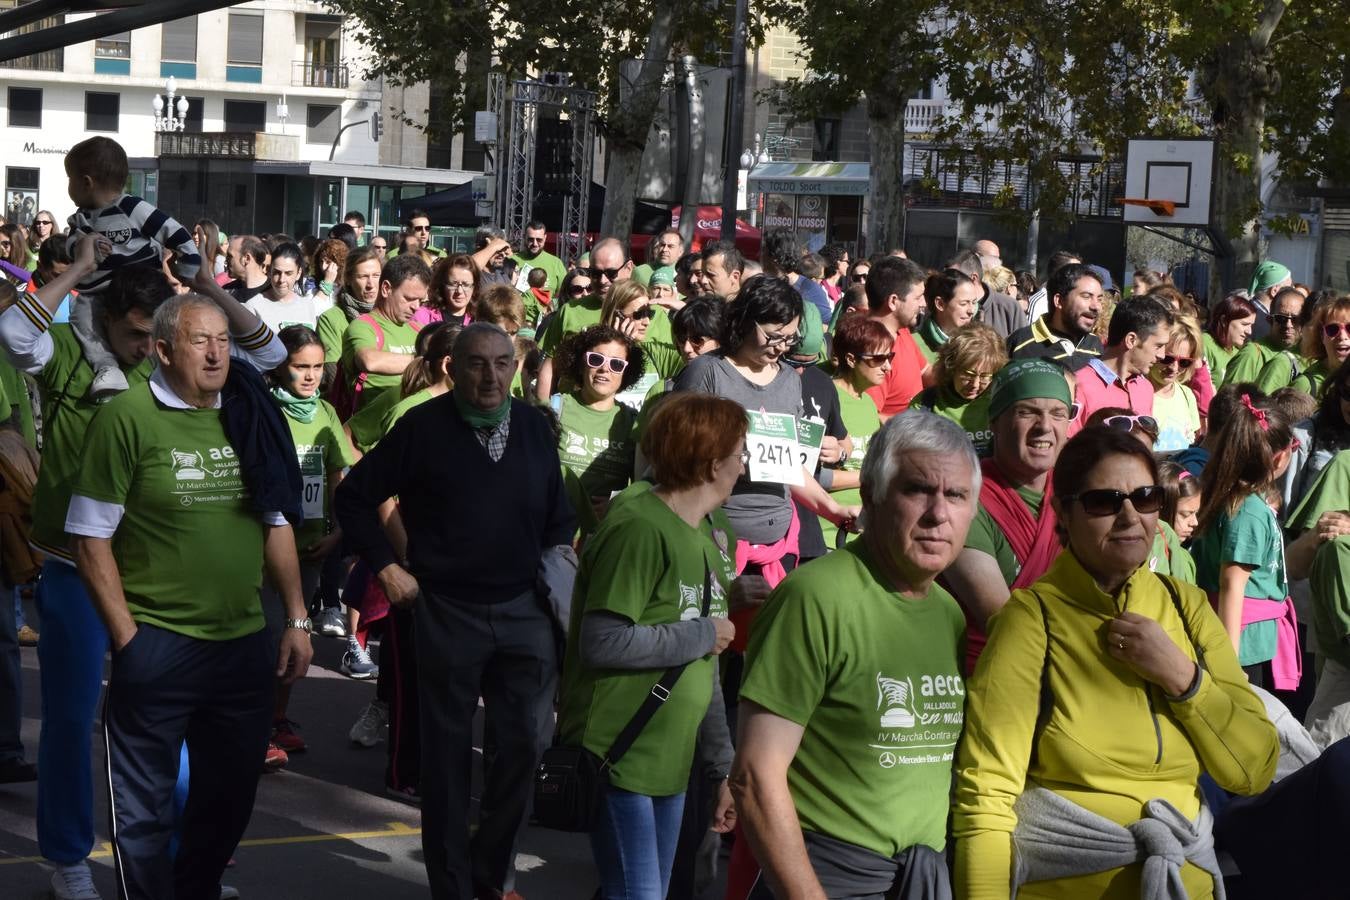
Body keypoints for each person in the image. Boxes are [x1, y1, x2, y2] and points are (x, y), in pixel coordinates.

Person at [1, 244, 284, 899]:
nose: (142, 348)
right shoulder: (67, 353)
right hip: (77, 565)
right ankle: (68, 857)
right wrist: (74, 271)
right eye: (134, 334)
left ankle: (185, 866)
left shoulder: (185, 362)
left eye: (154, 335)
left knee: (180, 730)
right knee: (71, 721)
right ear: (107, 320)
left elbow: (267, 356)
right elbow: (13, 330)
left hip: (158, 580)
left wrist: (210, 289)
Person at [952, 426, 1279, 900]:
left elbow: (1252, 770)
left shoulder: (1186, 607)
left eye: (1144, 497)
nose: (1129, 516)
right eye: (1104, 502)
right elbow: (986, 794)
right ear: (1063, 512)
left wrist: (1182, 678)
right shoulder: (1031, 620)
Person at [66, 293, 312, 900]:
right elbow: (90, 540)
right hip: (159, 643)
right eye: (200, 341)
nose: (215, 353)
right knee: (143, 815)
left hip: (240, 644)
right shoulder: (126, 416)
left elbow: (275, 520)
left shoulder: (250, 411)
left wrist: (298, 618)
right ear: (164, 349)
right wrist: (129, 638)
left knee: (228, 800)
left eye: (224, 342)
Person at [335, 323, 575, 900]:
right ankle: (454, 887)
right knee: (444, 765)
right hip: (447, 612)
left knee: (522, 750)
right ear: (452, 368)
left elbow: (558, 517)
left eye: (501, 363)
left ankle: (493, 878)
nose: (491, 376)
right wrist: (387, 568)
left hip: (524, 613)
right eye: (476, 363)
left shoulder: (536, 431)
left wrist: (560, 566)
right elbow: (354, 498)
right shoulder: (421, 428)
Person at [729, 411, 980, 900]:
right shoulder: (815, 597)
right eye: (917, 490)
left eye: (956, 495)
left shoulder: (948, 611)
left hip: (919, 876)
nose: (938, 514)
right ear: (872, 497)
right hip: (826, 876)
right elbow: (755, 776)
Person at [557, 393, 742, 899]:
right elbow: (602, 641)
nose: (743, 465)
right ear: (711, 463)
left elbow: (703, 671)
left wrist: (721, 768)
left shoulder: (703, 536)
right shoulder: (638, 526)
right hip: (616, 755)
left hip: (669, 762)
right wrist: (703, 632)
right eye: (738, 453)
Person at [941, 359, 1074, 671]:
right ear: (994, 421)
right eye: (1027, 412)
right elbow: (1003, 618)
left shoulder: (1077, 493)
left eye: (1058, 413)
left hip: (1071, 672)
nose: (1045, 426)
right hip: (988, 675)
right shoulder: (965, 497)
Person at [264, 325, 356, 760]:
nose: (311, 376)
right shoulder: (267, 411)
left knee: (293, 637)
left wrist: (337, 533)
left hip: (311, 548)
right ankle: (254, 723)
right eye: (302, 366)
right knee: (266, 639)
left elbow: (339, 478)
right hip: (265, 548)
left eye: (318, 367)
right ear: (281, 365)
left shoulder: (325, 413)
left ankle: (277, 720)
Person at [64, 136, 201, 398]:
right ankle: (107, 367)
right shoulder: (81, 218)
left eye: (69, 179)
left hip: (144, 291)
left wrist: (189, 266)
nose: (68, 187)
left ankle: (166, 372)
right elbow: (72, 246)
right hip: (99, 291)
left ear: (86, 182)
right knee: (81, 315)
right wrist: (85, 246)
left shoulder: (134, 207)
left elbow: (173, 232)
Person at [1191, 392, 1300, 690]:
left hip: (1249, 638)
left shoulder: (1242, 500)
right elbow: (1232, 585)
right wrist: (1227, 665)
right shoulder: (1248, 511)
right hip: (1241, 645)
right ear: (1280, 456)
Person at [549, 324, 645, 531]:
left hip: (603, 538)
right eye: (596, 359)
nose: (604, 369)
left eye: (617, 364)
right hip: (551, 533)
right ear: (582, 363)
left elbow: (643, 488)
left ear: (626, 372)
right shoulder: (555, 408)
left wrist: (619, 502)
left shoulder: (632, 422)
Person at [821, 314, 890, 550]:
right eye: (879, 359)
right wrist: (870, 476)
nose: (887, 367)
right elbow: (813, 475)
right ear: (851, 359)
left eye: (889, 357)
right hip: (829, 534)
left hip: (864, 534)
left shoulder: (868, 403)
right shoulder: (826, 395)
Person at [335, 253, 429, 414]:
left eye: (420, 301)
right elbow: (369, 361)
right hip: (372, 435)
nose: (416, 307)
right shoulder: (363, 326)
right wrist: (425, 363)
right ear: (386, 289)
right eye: (409, 298)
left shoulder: (419, 330)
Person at [1071, 295, 1172, 433]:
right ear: (1131, 340)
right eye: (1158, 346)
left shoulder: (1145, 388)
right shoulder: (1079, 385)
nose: (1162, 355)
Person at [911, 323, 1007, 457]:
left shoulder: (1002, 403)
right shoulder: (925, 404)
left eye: (985, 376)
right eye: (968, 374)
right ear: (951, 367)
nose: (975, 384)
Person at [861, 255, 928, 419]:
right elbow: (867, 416)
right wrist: (914, 427)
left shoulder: (902, 330)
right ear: (893, 301)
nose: (924, 303)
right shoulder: (872, 350)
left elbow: (926, 372)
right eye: (918, 297)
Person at [1007, 262, 1103, 372]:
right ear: (1059, 301)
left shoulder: (1096, 346)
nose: (1096, 306)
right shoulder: (1019, 344)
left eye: (1099, 299)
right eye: (1086, 297)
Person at [1224, 286, 1307, 387]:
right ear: (1270, 320)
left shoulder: (1307, 355)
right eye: (1281, 318)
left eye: (1295, 319)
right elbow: (1230, 399)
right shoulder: (1252, 354)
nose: (1288, 325)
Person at [317, 245, 381, 368]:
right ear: (348, 279)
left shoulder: (390, 315)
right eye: (363, 277)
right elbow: (332, 374)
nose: (371, 284)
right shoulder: (331, 319)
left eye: (376, 275)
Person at [1149, 314, 1204, 452]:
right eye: (1167, 359)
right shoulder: (1136, 392)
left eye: (1184, 362)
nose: (1174, 368)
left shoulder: (1187, 395)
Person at [1282, 293, 1350, 399]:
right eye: (1332, 329)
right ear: (1322, 336)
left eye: (1349, 328)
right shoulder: (1305, 386)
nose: (1342, 336)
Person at [244, 242, 322, 333]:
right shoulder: (253, 306)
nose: (282, 279)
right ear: (269, 271)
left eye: (288, 273)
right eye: (277, 272)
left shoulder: (308, 306)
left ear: (299, 273)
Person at [761, 228, 830, 323]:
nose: (759, 255)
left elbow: (826, 326)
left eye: (763, 251)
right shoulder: (759, 285)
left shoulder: (810, 289)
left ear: (775, 257)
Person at [915, 267, 980, 365]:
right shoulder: (917, 344)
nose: (971, 311)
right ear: (940, 304)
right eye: (963, 304)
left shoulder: (979, 343)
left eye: (974, 302)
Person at [1157, 460, 1201, 582]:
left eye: (1196, 513)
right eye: (1185, 514)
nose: (1194, 522)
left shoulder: (1186, 558)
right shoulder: (1150, 558)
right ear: (1163, 509)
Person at [1202, 292, 1258, 385]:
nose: (1249, 331)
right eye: (1244, 324)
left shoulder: (1239, 352)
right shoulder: (1204, 344)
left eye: (1251, 325)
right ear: (1224, 320)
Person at [416, 254, 480, 328]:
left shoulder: (479, 321)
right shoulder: (423, 316)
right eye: (453, 284)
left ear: (474, 287)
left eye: (465, 285)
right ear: (442, 284)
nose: (459, 291)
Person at [1023, 248, 1081, 325]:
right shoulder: (1038, 302)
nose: (1081, 276)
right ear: (1059, 273)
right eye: (1075, 271)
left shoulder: (1077, 299)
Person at [511, 220, 566, 295]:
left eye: (539, 240)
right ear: (524, 237)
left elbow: (563, 295)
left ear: (545, 237)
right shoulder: (511, 260)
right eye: (530, 239)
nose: (535, 244)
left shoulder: (556, 263)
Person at [1246, 259, 1293, 342]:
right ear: (1274, 291)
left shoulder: (1248, 310)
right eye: (1289, 288)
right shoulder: (1258, 321)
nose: (1293, 290)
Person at [224, 234, 270, 303]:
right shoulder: (226, 291)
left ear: (247, 259)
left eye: (230, 256)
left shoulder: (273, 291)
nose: (226, 260)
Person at [309, 237, 348, 307]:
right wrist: (327, 282)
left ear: (340, 263)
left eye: (328, 262)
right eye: (321, 261)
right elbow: (311, 311)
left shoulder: (348, 285)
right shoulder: (310, 283)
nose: (323, 267)